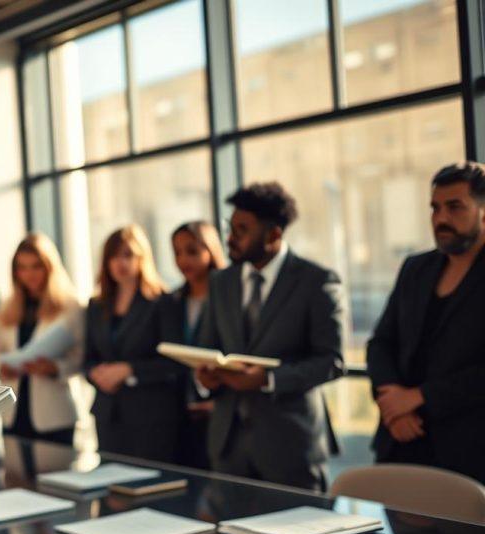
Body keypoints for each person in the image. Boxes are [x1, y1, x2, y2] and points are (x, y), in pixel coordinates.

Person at [196, 182, 344, 491]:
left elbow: (331, 361)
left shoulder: (316, 281)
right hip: (228, 447)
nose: (230, 238)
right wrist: (207, 378)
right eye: (230, 227)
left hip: (290, 446)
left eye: (241, 230)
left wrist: (269, 379)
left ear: (274, 235)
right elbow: (208, 347)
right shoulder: (221, 283)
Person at [367, 162, 485, 484]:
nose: (441, 218)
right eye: (435, 208)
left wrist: (420, 396)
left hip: (470, 454)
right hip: (400, 441)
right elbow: (381, 343)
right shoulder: (415, 268)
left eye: (455, 207)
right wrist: (394, 406)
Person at [83, 225, 180, 462]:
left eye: (128, 254)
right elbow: (88, 358)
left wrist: (129, 370)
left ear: (142, 257)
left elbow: (175, 363)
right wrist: (95, 373)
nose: (120, 262)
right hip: (108, 413)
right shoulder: (96, 305)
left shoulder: (162, 302)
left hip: (150, 416)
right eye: (113, 256)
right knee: (111, 486)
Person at [0, 233, 83, 446]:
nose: (29, 274)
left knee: (55, 476)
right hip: (13, 410)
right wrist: (2, 366)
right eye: (22, 267)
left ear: (49, 267)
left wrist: (55, 367)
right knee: (15, 478)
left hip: (55, 412)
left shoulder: (70, 306)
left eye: (36, 266)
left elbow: (81, 357)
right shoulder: (6, 307)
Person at [162, 221, 228, 469]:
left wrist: (218, 402)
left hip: (221, 411)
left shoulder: (230, 297)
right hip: (182, 413)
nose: (183, 260)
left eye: (191, 250)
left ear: (210, 249)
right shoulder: (172, 300)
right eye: (177, 252)